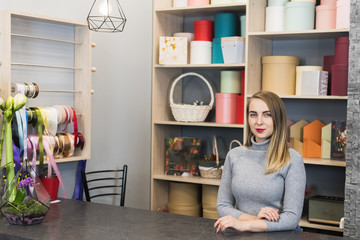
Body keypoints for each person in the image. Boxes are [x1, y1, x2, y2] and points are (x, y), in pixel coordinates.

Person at [214, 91, 306, 233]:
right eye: (253, 114)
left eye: (267, 114)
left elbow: (292, 218)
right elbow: (223, 206)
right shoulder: (234, 156)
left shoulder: (292, 159)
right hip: (244, 234)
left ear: (278, 118)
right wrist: (255, 220)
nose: (259, 121)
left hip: (279, 236)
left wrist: (245, 225)